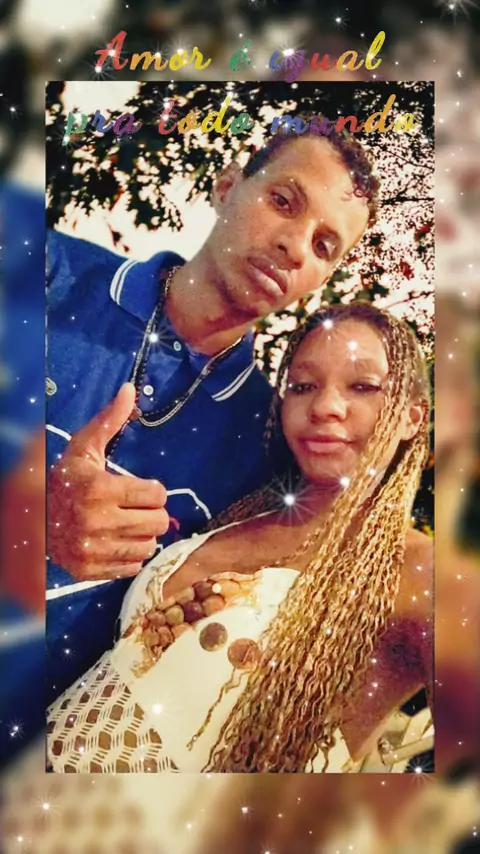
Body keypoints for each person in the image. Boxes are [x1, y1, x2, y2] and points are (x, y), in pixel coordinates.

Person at [46, 129, 379, 702]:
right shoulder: (46, 274)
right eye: (283, 201)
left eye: (325, 246)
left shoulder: (269, 444)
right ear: (227, 186)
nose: (296, 246)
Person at [47, 302, 433, 774]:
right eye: (303, 386)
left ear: (412, 417)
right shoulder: (244, 509)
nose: (324, 407)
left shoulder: (420, 572)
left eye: (364, 386)